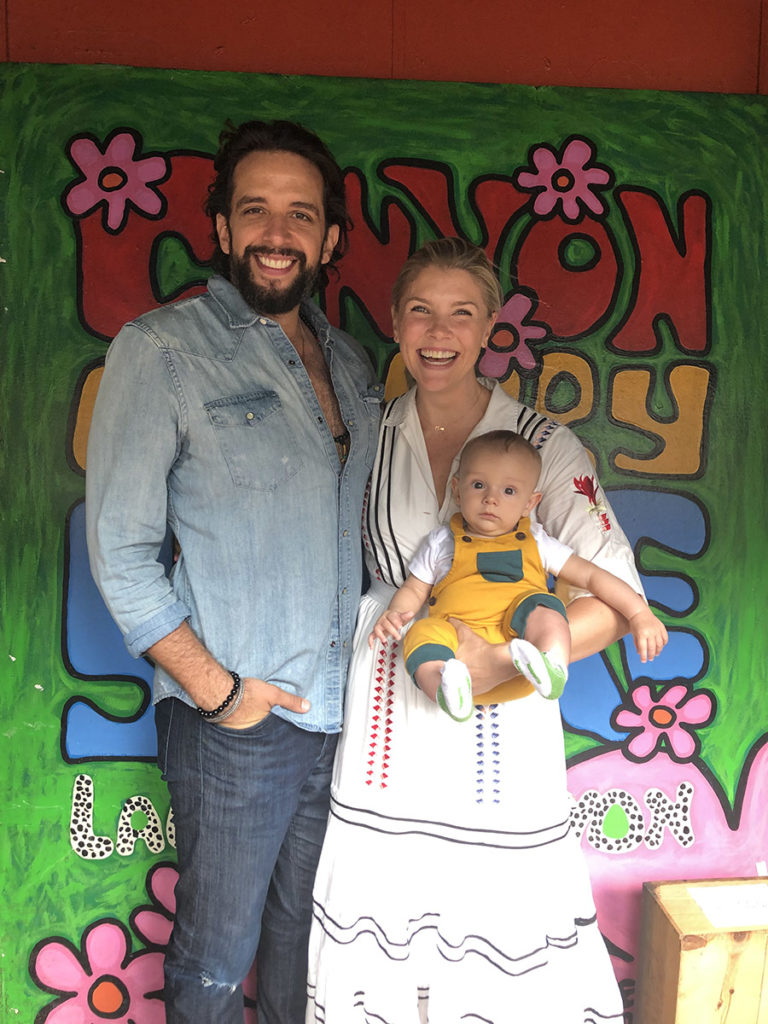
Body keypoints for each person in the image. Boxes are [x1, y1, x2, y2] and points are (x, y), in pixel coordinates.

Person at [306, 237, 649, 1022]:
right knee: (388, 917)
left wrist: (497, 664)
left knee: (497, 922)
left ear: (493, 325)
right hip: (391, 709)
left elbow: (614, 590)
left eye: (462, 313)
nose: (439, 332)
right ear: (393, 321)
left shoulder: (543, 443)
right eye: (421, 310)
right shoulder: (363, 436)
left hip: (504, 715)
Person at [85, 119, 381, 1023]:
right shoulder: (162, 349)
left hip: (342, 723)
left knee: (307, 950)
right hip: (235, 728)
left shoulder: (351, 361)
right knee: (215, 964)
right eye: (255, 210)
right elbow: (121, 553)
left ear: (331, 237)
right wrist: (222, 695)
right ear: (220, 228)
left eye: (302, 214)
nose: (277, 233)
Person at [371, 429, 667, 721]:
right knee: (421, 634)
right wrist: (396, 613)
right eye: (478, 485)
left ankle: (552, 663)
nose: (491, 499)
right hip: (457, 651)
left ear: (530, 503)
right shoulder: (441, 542)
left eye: (508, 491)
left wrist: (639, 613)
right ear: (457, 490)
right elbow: (415, 588)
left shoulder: (538, 542)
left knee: (541, 606)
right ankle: (447, 690)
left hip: (521, 651)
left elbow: (591, 577)